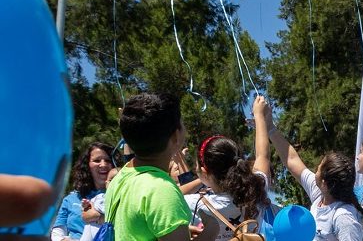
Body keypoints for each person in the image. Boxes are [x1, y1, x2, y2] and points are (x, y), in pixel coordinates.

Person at [260, 100, 363, 241]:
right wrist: (269, 127)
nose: (314, 171)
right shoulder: (320, 195)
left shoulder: (344, 218)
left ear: (325, 183)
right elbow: (291, 160)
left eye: (319, 168)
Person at [105, 93, 214, 241]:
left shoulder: (120, 179)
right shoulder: (161, 189)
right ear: (175, 137)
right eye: (182, 124)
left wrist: (173, 230)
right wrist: (211, 231)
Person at [183, 96, 274, 241]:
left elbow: (174, 193)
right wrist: (259, 115)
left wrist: (202, 181)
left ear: (205, 173)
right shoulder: (256, 190)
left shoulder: (196, 204)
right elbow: (263, 156)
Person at [52, 142, 116, 241]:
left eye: (108, 160)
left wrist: (99, 217)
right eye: (97, 160)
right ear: (87, 165)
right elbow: (58, 232)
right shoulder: (70, 199)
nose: (103, 165)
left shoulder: (121, 195)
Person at [78, 168, 119, 241]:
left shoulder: (122, 200)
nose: (113, 183)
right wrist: (86, 206)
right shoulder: (100, 197)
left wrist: (99, 217)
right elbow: (86, 213)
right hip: (92, 229)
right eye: (111, 180)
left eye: (118, 180)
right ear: (106, 183)